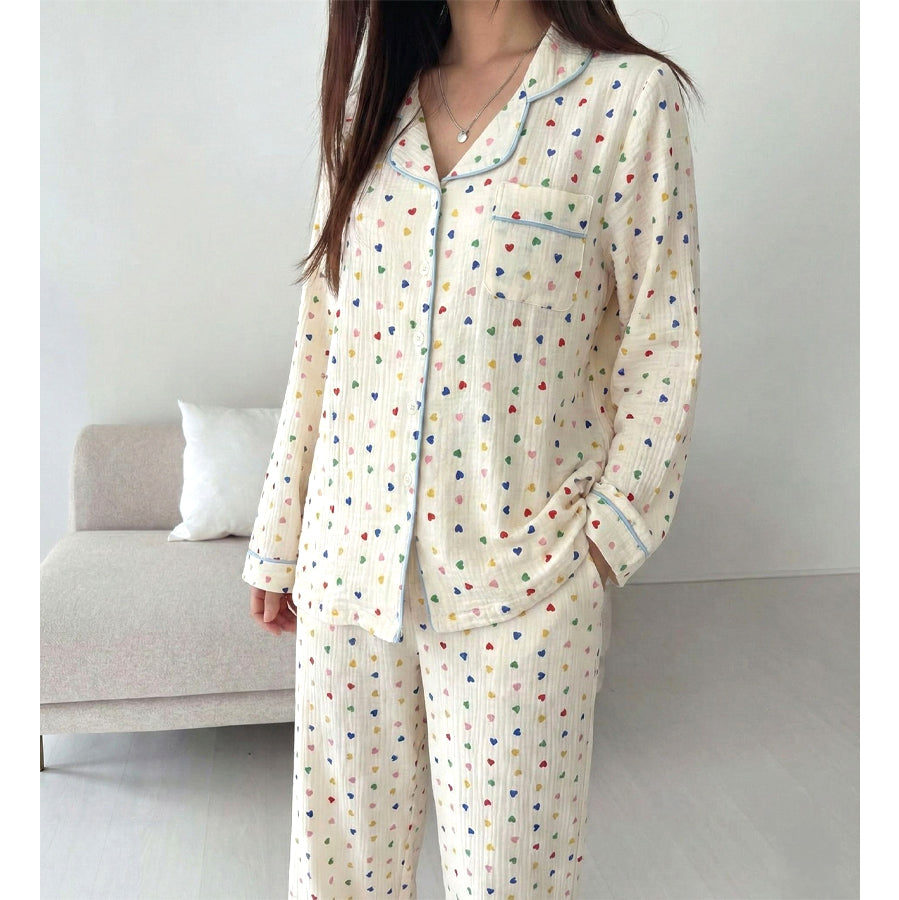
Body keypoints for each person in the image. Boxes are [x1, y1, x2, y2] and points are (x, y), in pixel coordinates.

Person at [246, 1, 702, 896]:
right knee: (337, 881)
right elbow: (323, 337)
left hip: (521, 583)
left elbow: (664, 337)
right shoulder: (369, 112)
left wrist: (605, 540)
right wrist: (280, 532)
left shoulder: (626, 100)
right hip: (346, 568)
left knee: (509, 881)